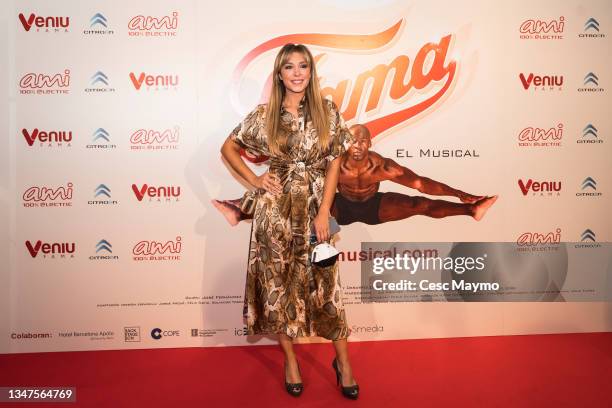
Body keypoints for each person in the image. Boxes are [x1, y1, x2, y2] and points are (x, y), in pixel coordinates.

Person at [220, 43, 359, 399]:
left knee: (327, 288)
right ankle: (291, 361)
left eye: (303, 66)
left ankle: (343, 363)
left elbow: (333, 163)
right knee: (277, 288)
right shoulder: (264, 114)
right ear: (279, 74)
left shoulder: (327, 110)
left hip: (315, 209)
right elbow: (228, 148)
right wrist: (254, 181)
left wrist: (324, 211)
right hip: (275, 213)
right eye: (289, 67)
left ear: (311, 73)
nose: (297, 73)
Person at [214, 124, 497, 227]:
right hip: (340, 206)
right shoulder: (333, 163)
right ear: (344, 141)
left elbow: (422, 184)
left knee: (418, 205)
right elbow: (296, 181)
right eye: (352, 140)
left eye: (363, 141)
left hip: (375, 207)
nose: (357, 146)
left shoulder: (383, 167)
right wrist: (245, 197)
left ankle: (469, 209)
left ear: (371, 144)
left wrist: (459, 192)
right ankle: (241, 212)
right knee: (299, 202)